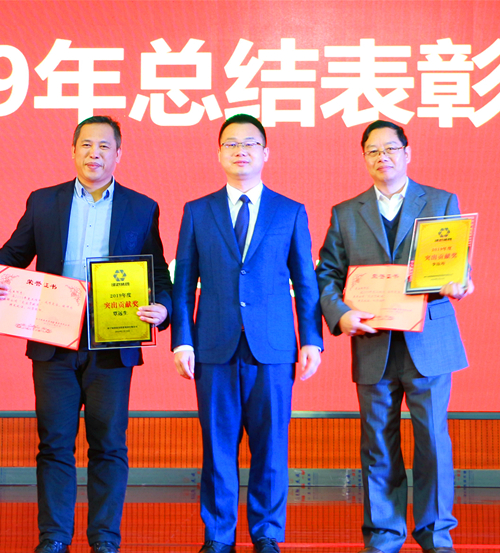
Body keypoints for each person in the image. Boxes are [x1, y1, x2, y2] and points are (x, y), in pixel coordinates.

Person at [0, 115, 172, 553]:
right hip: (53, 341)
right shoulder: (45, 201)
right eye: (86, 145)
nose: (94, 153)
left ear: (118, 154)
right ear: (74, 150)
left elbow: (157, 271)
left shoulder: (142, 207)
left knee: (109, 445)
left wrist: (163, 308)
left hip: (113, 344)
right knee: (54, 444)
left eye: (104, 146)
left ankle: (104, 539)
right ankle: (54, 537)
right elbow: (13, 252)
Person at [316, 120, 474, 553]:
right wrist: (342, 314)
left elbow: (456, 263)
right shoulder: (346, 213)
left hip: (428, 341)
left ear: (408, 153)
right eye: (373, 151)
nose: (382, 157)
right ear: (364, 157)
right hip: (373, 340)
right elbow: (327, 274)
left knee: (432, 440)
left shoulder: (440, 201)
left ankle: (436, 534)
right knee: (377, 444)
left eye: (390, 149)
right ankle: (384, 534)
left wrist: (459, 283)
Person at [171, 114, 323, 553]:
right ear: (219, 153)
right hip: (213, 346)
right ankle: (218, 535)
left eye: (251, 143)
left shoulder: (290, 211)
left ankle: (267, 532)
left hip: (273, 348)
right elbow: (184, 284)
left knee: (271, 447)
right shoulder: (197, 211)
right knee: (218, 447)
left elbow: (305, 282)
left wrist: (311, 340)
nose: (241, 151)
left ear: (265, 153)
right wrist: (182, 339)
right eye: (232, 144)